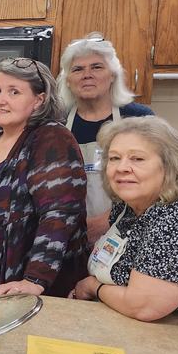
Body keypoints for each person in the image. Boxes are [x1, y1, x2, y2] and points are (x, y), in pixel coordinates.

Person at [73, 117, 178, 319]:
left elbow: (143, 307)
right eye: (114, 158)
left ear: (170, 166)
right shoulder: (128, 206)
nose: (122, 167)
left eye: (137, 159)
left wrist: (93, 287)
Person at [0, 57, 88, 298]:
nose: (1, 100)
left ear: (39, 100)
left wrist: (35, 279)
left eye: (14, 92)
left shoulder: (52, 137)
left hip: (26, 292)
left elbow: (59, 215)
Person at [56, 33, 153, 243]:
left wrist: (107, 220)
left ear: (113, 75)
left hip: (125, 233)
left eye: (97, 67)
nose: (87, 75)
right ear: (68, 80)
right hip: (67, 236)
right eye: (77, 69)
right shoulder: (56, 124)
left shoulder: (139, 119)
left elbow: (157, 183)